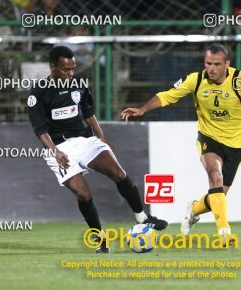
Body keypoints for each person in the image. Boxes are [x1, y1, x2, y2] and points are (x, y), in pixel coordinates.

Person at [121, 44, 241, 245]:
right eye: (208, 63)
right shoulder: (196, 79)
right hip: (209, 137)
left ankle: (193, 209)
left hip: (237, 143)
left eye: (217, 64)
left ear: (227, 64)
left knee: (217, 197)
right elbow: (167, 95)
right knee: (215, 177)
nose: (212, 68)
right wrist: (142, 109)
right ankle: (224, 233)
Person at [27, 46, 168, 253]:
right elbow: (39, 129)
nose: (70, 74)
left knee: (118, 172)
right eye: (66, 70)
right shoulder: (38, 93)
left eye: (73, 69)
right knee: (83, 194)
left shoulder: (79, 85)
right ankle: (100, 239)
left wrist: (102, 137)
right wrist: (56, 152)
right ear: (53, 67)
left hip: (85, 141)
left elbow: (88, 113)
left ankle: (143, 217)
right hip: (58, 148)